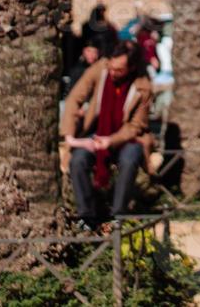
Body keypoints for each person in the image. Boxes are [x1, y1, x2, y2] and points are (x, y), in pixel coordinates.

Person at [62, 40, 153, 230]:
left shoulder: (143, 86)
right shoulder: (100, 69)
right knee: (77, 160)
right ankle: (87, 216)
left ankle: (118, 215)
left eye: (119, 70)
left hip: (126, 138)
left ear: (132, 67)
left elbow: (136, 126)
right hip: (96, 134)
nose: (113, 73)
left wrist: (111, 140)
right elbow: (74, 99)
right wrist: (70, 136)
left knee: (130, 158)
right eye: (111, 67)